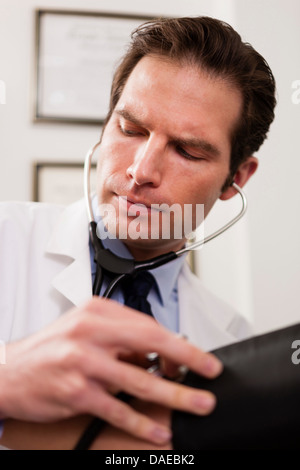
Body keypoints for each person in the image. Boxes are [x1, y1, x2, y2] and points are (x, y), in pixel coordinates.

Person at [0, 15, 276, 450]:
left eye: (187, 151)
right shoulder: (6, 240)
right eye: (130, 129)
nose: (140, 171)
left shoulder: (235, 341)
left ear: (235, 178)